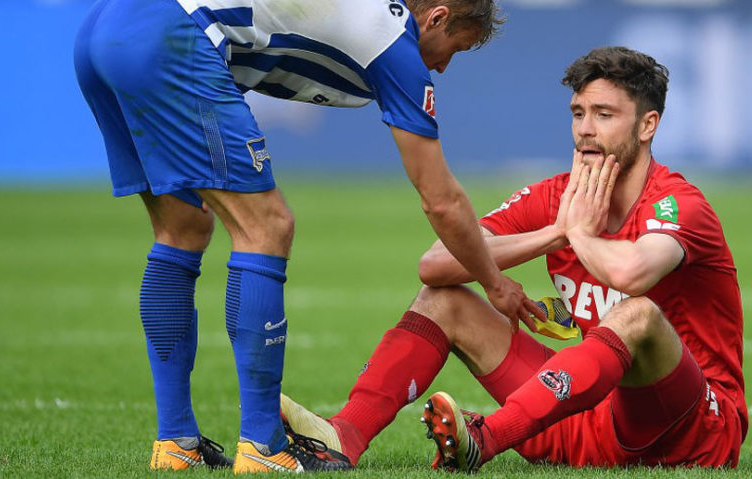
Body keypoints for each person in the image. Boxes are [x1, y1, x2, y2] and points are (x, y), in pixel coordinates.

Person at [73, 0, 545, 473]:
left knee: (182, 229)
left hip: (104, 29)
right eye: (452, 50)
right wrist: (495, 282)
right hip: (170, 35)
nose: (442, 65)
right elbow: (441, 200)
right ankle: (263, 445)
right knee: (267, 226)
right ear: (437, 17)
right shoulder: (394, 40)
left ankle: (176, 441)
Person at [280, 46, 747, 471]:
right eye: (578, 113)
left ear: (647, 125)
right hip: (588, 424)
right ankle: (344, 435)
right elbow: (436, 263)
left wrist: (578, 234)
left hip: (695, 431)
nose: (585, 129)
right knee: (443, 299)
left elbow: (633, 271)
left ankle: (488, 436)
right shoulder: (555, 198)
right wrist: (552, 235)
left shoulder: (678, 204)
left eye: (605, 115)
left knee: (638, 314)